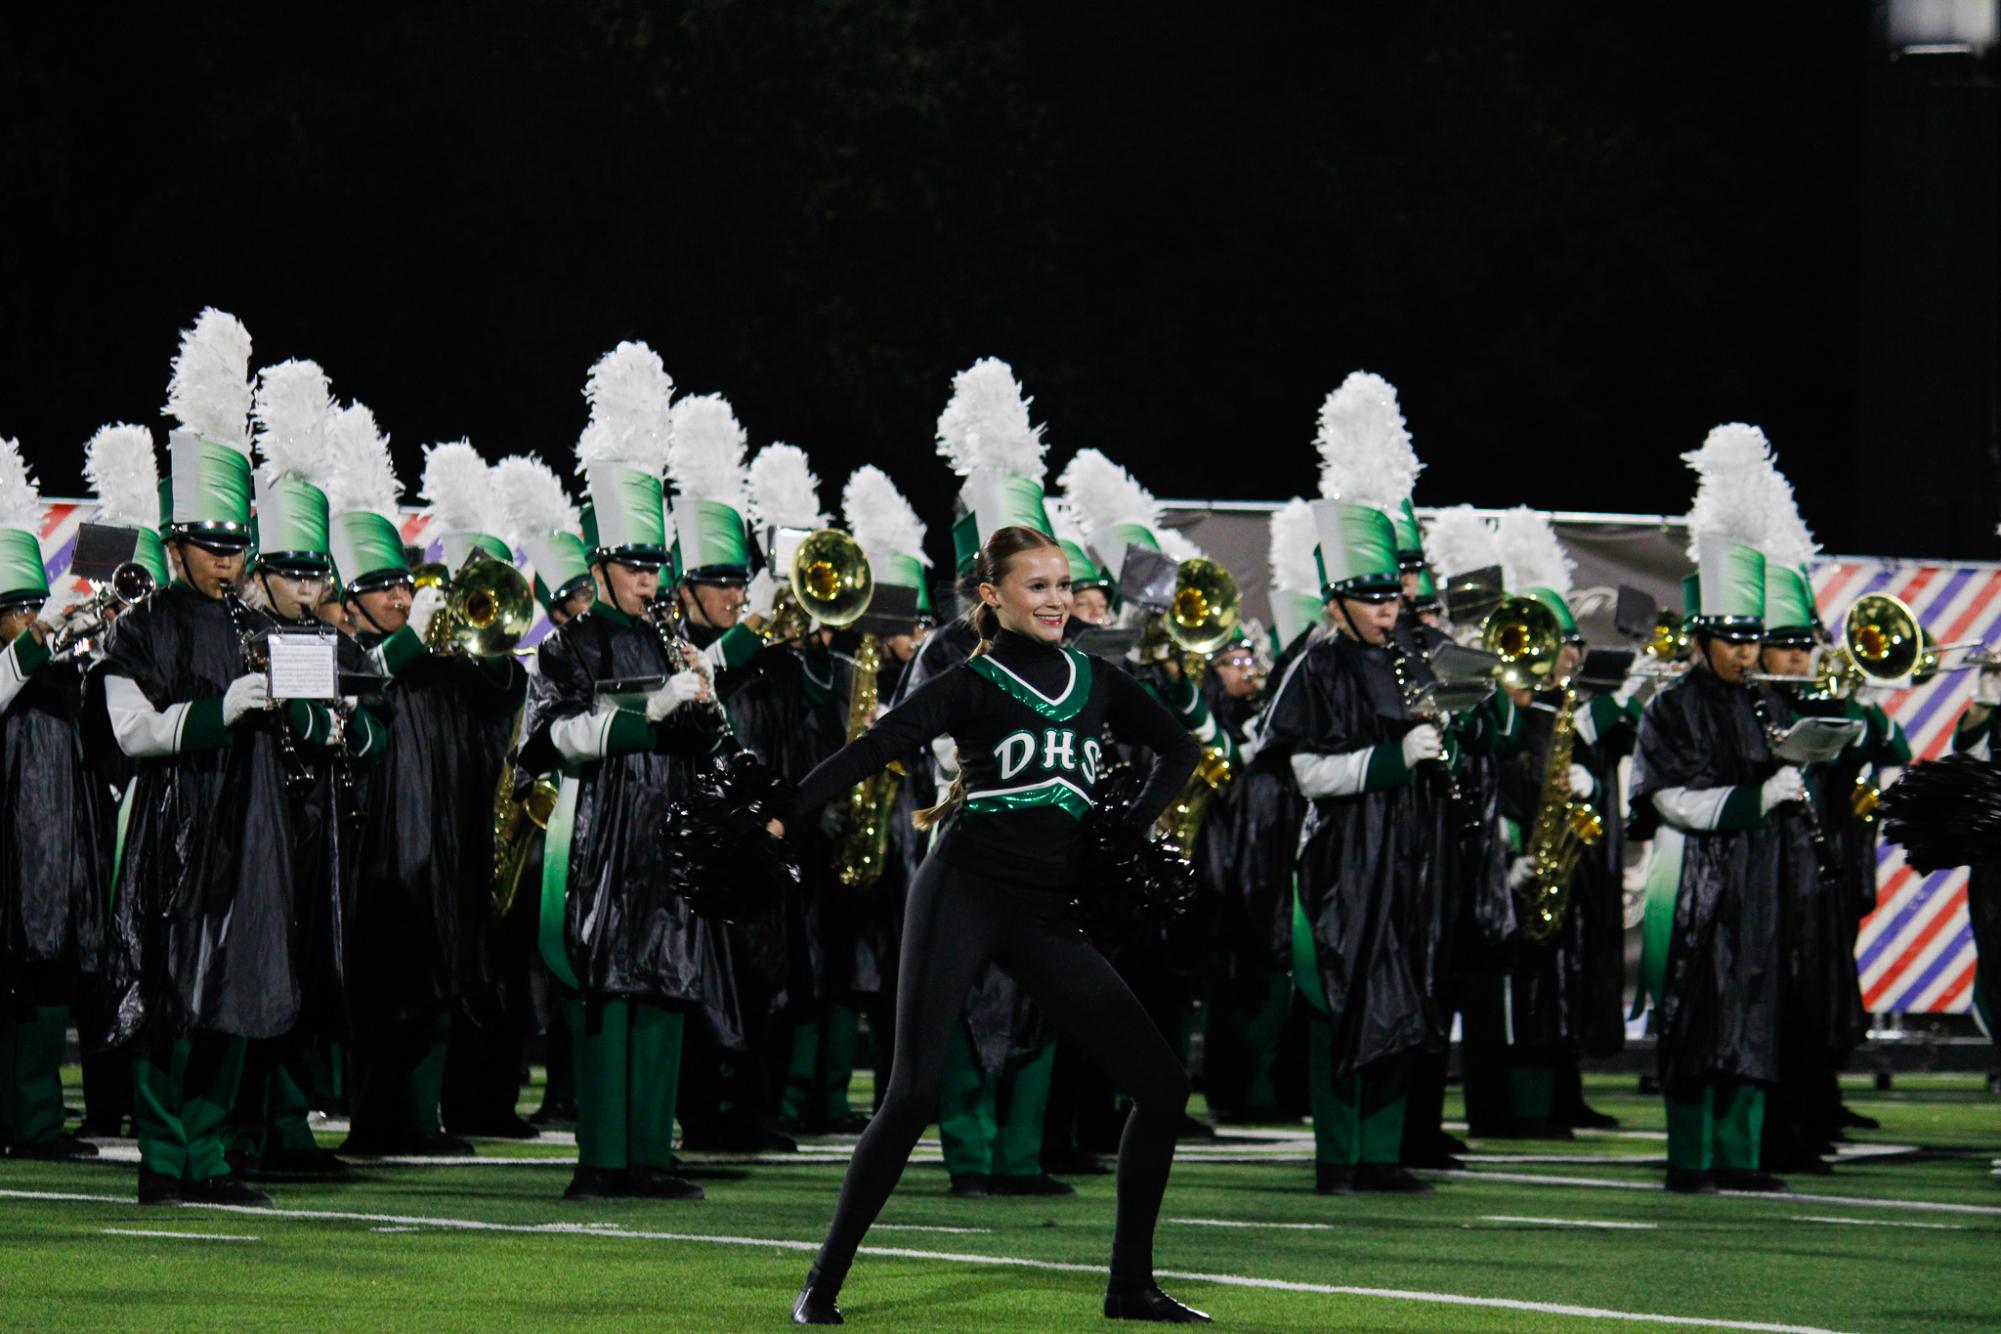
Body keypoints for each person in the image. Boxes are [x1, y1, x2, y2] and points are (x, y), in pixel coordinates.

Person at [786, 525, 1204, 1326]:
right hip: (962, 894)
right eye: (1036, 586)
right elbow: (874, 747)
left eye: (1062, 584)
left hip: (1048, 912)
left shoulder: (1097, 678)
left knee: (1161, 1084)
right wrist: (780, 816)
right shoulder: (968, 681)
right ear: (993, 596)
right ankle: (821, 1285)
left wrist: (1127, 830)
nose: (1056, 600)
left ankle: (1130, 1287)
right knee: (911, 1096)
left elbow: (1179, 750)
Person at [1629, 424, 1816, 1193]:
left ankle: (1741, 1158)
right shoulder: (1669, 706)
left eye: (1752, 640)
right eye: (1732, 640)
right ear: (1703, 636)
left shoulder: (1765, 701)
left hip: (1758, 879)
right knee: (1695, 1015)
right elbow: (1668, 798)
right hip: (1695, 882)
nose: (1746, 654)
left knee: (1753, 1012)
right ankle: (1688, 1159)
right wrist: (1755, 797)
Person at [1257, 496, 1456, 1196]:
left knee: (1404, 996)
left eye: (1390, 599)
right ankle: (1336, 1157)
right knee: (1337, 998)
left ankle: (1381, 1154)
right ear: (1337, 601)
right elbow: (1304, 772)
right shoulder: (1315, 668)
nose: (1387, 611)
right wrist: (1391, 758)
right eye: (1370, 601)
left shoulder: (1414, 660)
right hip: (1343, 855)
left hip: (1413, 850)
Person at [0, 438, 109, 1161]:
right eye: (17, 608)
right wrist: (43, 633)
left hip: (51, 853)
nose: (33, 617)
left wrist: (90, 624)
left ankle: (35, 1120)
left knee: (43, 985)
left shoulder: (57, 674)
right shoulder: (19, 665)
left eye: (36, 604)